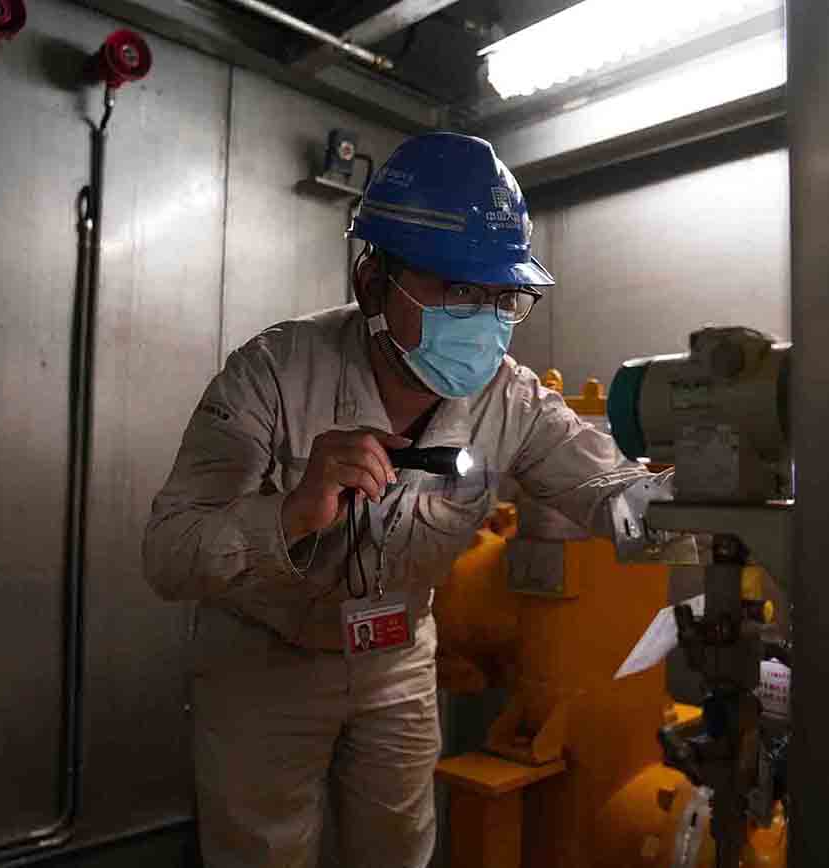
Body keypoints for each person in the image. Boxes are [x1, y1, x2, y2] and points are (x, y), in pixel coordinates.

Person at [143, 132, 672, 868]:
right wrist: (292, 514)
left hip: (396, 657)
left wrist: (726, 497)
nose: (483, 319)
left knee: (398, 852)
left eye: (502, 297)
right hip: (266, 659)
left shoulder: (512, 402)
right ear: (373, 282)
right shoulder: (275, 372)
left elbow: (617, 498)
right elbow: (169, 555)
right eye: (457, 290)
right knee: (264, 854)